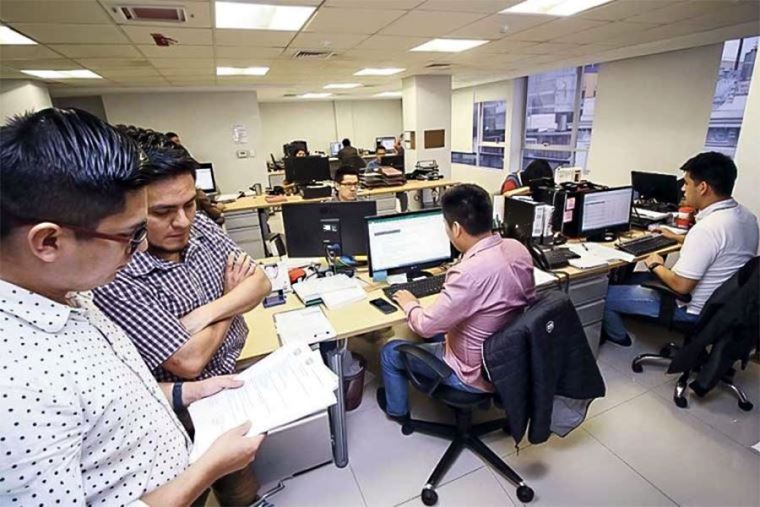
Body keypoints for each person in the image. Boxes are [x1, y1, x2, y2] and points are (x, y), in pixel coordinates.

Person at [0, 108, 264, 505]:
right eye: (131, 234)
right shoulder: (15, 386)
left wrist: (186, 394)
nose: (141, 248)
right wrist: (207, 469)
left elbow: (109, 403)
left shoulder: (69, 294)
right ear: (48, 242)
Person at [93, 129, 271, 383]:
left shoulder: (198, 223)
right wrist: (233, 300)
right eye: (162, 212)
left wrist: (207, 313)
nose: (183, 221)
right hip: (193, 396)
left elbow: (260, 282)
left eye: (189, 204)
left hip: (240, 365)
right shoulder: (115, 271)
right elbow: (189, 361)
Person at [377, 184, 536, 420]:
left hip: (471, 374)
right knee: (439, 327)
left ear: (457, 229)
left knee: (390, 351)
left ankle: (397, 411)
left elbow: (425, 326)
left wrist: (410, 303)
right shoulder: (517, 248)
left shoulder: (468, 273)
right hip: (508, 360)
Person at [602, 152, 759, 346]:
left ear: (703, 187)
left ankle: (619, 339)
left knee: (601, 296)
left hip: (688, 307)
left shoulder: (708, 228)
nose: (683, 189)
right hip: (722, 306)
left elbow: (681, 286)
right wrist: (678, 238)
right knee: (624, 281)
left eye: (686, 183)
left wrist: (655, 265)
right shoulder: (746, 217)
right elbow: (721, 247)